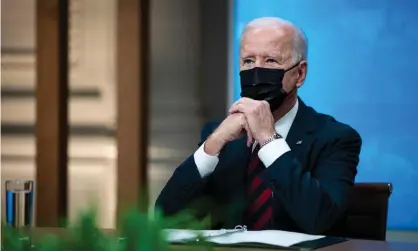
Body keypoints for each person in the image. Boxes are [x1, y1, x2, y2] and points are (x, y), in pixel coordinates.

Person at [155, 17, 362, 234]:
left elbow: (322, 221)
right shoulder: (221, 136)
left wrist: (269, 140)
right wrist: (213, 143)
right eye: (248, 61)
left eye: (271, 61)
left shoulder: (335, 138)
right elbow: (166, 218)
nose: (257, 71)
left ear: (299, 74)